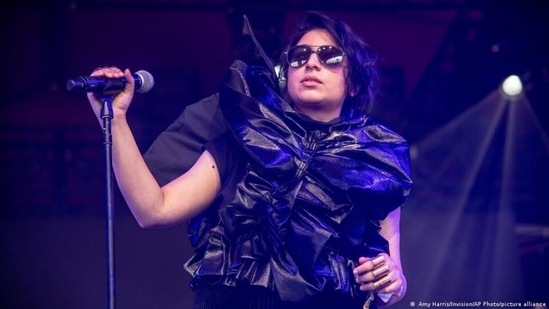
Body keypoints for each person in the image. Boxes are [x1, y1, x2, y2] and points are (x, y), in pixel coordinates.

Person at [86, 11, 412, 309]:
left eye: (330, 57)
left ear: (353, 82)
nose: (311, 64)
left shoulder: (377, 164)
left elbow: (393, 282)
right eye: (300, 56)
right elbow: (152, 210)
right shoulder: (244, 142)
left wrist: (391, 281)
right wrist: (115, 119)